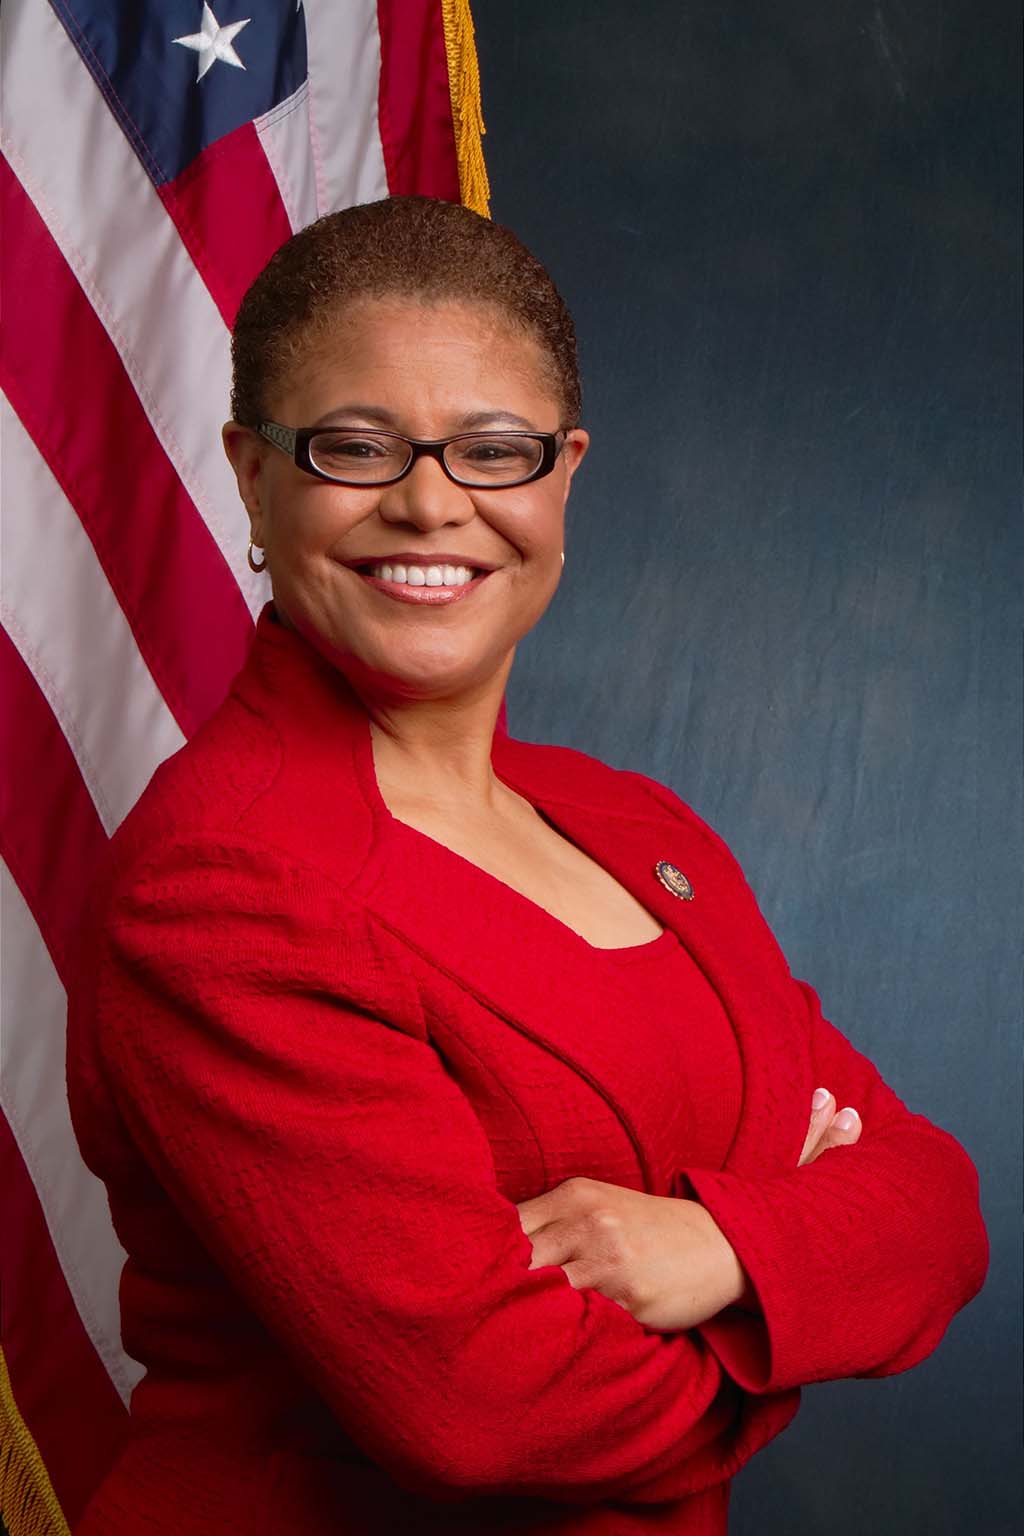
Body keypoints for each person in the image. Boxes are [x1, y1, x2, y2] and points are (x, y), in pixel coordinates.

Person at [66, 195, 988, 1536]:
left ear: (563, 476)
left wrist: (723, 1249)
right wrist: (796, 1304)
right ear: (254, 475)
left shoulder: (641, 832)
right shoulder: (223, 881)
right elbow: (487, 1410)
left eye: (495, 450)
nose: (433, 502)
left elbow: (940, 1209)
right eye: (353, 446)